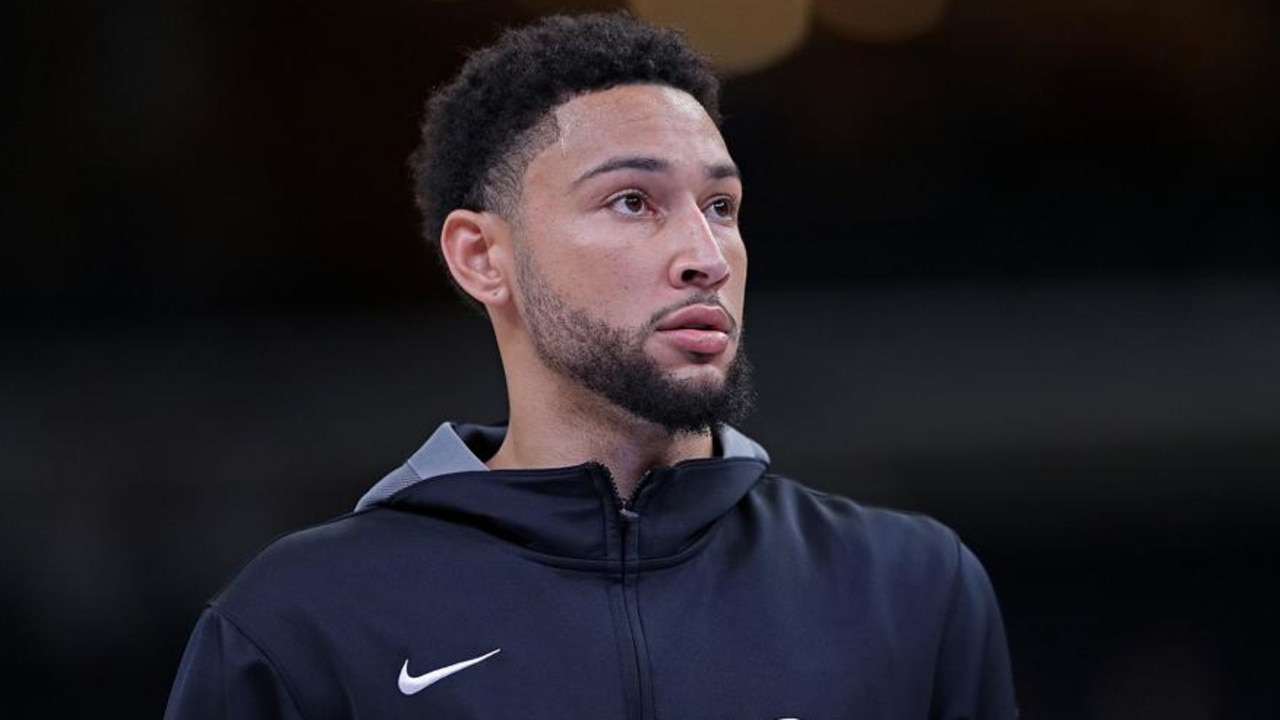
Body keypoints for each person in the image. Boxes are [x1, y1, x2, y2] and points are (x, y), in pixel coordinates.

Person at [164, 12, 1018, 720]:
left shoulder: (911, 589)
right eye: (632, 202)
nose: (705, 255)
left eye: (721, 206)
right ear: (482, 258)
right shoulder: (301, 623)